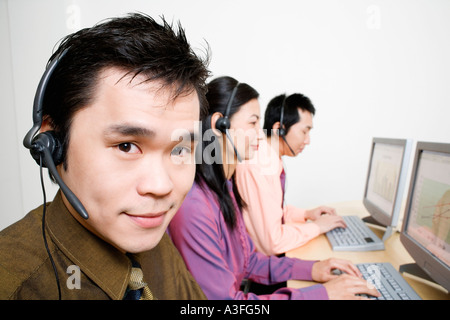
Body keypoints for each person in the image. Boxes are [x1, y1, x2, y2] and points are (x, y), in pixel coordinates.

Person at [0, 13, 210, 300]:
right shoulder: (14, 286)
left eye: (179, 150)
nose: (161, 187)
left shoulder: (155, 240)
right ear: (52, 145)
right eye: (126, 146)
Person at [168, 76, 380, 300]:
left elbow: (250, 261)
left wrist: (313, 269)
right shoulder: (195, 206)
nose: (261, 134)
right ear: (219, 125)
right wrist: (321, 295)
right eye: (252, 123)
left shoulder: (225, 188)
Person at [235, 93, 347, 256]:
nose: (307, 140)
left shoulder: (270, 159)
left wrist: (306, 214)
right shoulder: (258, 166)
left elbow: (269, 213)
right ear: (279, 129)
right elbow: (272, 243)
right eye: (304, 131)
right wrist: (318, 227)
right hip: (260, 264)